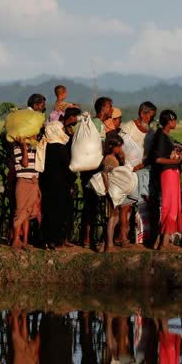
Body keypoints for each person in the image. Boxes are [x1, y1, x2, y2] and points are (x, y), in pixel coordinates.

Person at [41, 107, 81, 249]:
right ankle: (57, 240)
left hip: (48, 184)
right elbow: (67, 167)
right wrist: (72, 181)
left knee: (49, 212)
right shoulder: (60, 147)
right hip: (61, 185)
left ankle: (49, 240)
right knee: (61, 212)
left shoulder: (46, 146)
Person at [121, 101, 157, 246]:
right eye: (149, 116)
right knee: (125, 206)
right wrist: (130, 165)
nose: (151, 119)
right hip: (128, 170)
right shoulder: (128, 127)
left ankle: (141, 236)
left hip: (144, 171)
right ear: (142, 113)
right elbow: (120, 148)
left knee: (143, 204)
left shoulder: (151, 131)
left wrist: (142, 164)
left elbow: (152, 153)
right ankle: (123, 237)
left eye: (152, 117)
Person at [79, 97, 113, 249]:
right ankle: (87, 239)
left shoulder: (93, 123)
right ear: (103, 108)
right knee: (92, 205)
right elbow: (99, 145)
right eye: (109, 107)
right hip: (93, 168)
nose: (111, 109)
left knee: (90, 204)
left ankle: (86, 238)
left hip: (88, 167)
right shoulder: (98, 124)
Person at [151, 110, 182, 250]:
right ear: (169, 121)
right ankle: (164, 242)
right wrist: (174, 160)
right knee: (169, 206)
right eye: (174, 120)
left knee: (171, 205)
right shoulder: (161, 136)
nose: (175, 122)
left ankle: (160, 241)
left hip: (171, 172)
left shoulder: (164, 136)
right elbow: (158, 159)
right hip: (168, 172)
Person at [11, 133, 41, 249]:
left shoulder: (35, 148)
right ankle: (16, 240)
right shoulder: (17, 148)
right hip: (23, 182)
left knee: (27, 213)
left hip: (33, 182)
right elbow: (25, 163)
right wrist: (23, 146)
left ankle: (25, 241)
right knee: (20, 212)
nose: (35, 136)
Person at [102, 134, 126, 252]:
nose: (120, 149)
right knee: (112, 217)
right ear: (112, 146)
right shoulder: (110, 159)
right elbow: (104, 173)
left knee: (115, 216)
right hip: (112, 192)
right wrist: (108, 190)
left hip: (115, 191)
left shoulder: (114, 158)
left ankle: (106, 243)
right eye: (118, 147)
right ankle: (109, 245)